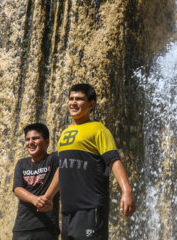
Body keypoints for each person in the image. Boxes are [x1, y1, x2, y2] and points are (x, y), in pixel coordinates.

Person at [57, 83, 136, 239]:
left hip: (89, 207)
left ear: (91, 104)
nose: (73, 103)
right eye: (71, 98)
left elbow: (113, 160)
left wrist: (126, 191)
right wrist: (47, 196)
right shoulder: (65, 132)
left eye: (79, 99)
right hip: (68, 209)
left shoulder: (98, 129)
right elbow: (62, 167)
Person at [12, 123, 60, 240]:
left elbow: (63, 168)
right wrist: (35, 199)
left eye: (35, 138)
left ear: (47, 142)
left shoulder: (53, 159)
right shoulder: (22, 163)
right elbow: (17, 189)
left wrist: (47, 197)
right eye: (27, 139)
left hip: (47, 226)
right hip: (22, 227)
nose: (30, 142)